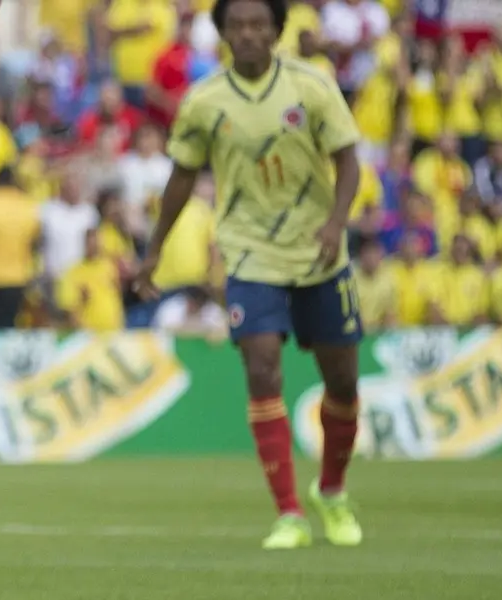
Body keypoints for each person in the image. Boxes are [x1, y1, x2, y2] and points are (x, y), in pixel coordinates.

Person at [133, 0, 364, 551]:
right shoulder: (204, 100)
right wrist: (154, 252)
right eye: (238, 25)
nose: (250, 34)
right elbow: (181, 177)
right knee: (263, 369)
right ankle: (288, 513)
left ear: (278, 30)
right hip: (249, 254)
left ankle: (330, 492)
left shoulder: (313, 87)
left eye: (260, 24)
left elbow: (350, 160)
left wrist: (335, 222)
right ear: (223, 35)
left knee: (344, 383)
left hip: (317, 254)